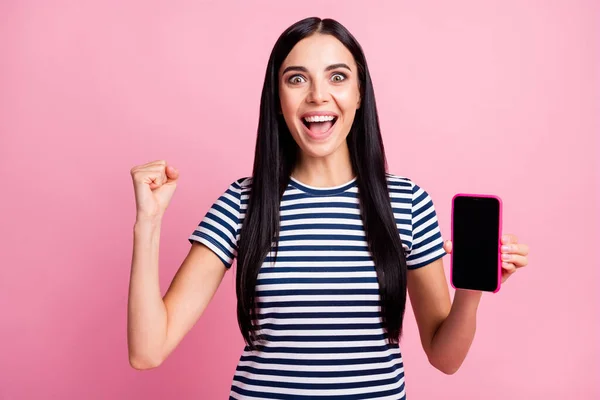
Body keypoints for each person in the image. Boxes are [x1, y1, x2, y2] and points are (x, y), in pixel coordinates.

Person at [128, 17, 529, 399]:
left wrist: (472, 290)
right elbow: (147, 352)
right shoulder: (242, 203)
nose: (318, 94)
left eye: (337, 77)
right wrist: (148, 222)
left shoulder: (406, 203)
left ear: (358, 93)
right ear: (277, 97)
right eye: (297, 79)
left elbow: (445, 358)